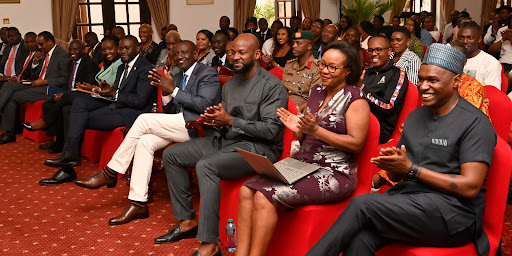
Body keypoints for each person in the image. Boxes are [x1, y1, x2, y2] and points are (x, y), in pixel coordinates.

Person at [306, 43, 496, 256]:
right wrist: (394, 166)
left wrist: (411, 169)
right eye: (421, 79)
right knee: (361, 237)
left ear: (456, 82)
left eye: (433, 80)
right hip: (411, 201)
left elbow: (470, 187)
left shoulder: (475, 123)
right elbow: (402, 172)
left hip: (454, 214)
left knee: (362, 204)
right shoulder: (416, 116)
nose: (423, 86)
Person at [154, 33, 288, 256]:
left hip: (258, 149)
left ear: (257, 55)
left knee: (206, 165)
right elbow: (226, 122)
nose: (235, 57)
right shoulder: (231, 84)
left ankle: (209, 244)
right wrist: (216, 121)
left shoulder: (272, 86)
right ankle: (187, 222)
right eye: (232, 52)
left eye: (242, 53)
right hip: (228, 140)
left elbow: (271, 130)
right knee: (172, 155)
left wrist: (230, 121)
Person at [238, 40, 370, 256]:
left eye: (332, 67)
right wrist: (297, 128)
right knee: (247, 189)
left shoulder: (355, 99)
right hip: (304, 164)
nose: (325, 71)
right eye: (323, 65)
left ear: (348, 71)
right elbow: (306, 131)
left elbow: (356, 143)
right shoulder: (317, 90)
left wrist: (316, 131)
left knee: (264, 196)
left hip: (335, 173)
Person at [73, 40, 222, 226]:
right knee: (144, 142)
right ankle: (138, 202)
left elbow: (204, 105)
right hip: (179, 125)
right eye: (176, 53)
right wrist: (167, 94)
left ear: (195, 54)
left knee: (143, 119)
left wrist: (173, 90)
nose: (180, 56)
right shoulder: (176, 74)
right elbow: (170, 111)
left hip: (200, 128)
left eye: (184, 53)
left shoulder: (207, 73)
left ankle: (111, 171)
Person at [41, 35, 156, 184]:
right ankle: (69, 159)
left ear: (137, 49)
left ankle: (68, 162)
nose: (122, 51)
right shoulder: (122, 66)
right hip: (117, 105)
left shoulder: (146, 69)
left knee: (78, 118)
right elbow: (120, 91)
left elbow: (140, 101)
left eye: (127, 48)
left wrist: (114, 94)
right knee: (78, 103)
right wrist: (108, 90)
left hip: (132, 113)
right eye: (121, 48)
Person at [23, 39, 109, 156]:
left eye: (75, 49)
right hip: (70, 95)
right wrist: (63, 94)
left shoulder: (89, 64)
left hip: (85, 96)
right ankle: (58, 142)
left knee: (64, 108)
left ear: (83, 50)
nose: (72, 52)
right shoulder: (70, 63)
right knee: (48, 104)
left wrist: (66, 95)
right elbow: (66, 84)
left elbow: (85, 87)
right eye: (70, 49)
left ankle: (46, 123)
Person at [0, 31, 71, 144]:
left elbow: (65, 79)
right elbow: (35, 75)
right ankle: (9, 131)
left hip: (49, 88)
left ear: (50, 42)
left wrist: (45, 81)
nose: (39, 47)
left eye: (41, 44)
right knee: (8, 85)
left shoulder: (61, 55)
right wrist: (35, 63)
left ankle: (9, 133)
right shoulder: (44, 53)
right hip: (36, 83)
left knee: (13, 96)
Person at [363, 35, 408, 144]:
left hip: (380, 127)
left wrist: (363, 90)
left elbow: (388, 106)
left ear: (389, 51)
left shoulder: (397, 74)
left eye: (378, 50)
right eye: (370, 50)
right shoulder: (367, 73)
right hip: (360, 119)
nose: (373, 54)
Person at [282, 31, 320, 111]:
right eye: (294, 43)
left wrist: (294, 110)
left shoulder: (317, 68)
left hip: (303, 112)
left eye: (298, 43)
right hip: (284, 108)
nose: (294, 46)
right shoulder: (289, 65)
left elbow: (315, 99)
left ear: (309, 46)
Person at [458, 21, 502, 90]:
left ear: (479, 39)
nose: (465, 41)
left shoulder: (491, 63)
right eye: (461, 38)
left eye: (470, 38)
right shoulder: (452, 58)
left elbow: (492, 94)